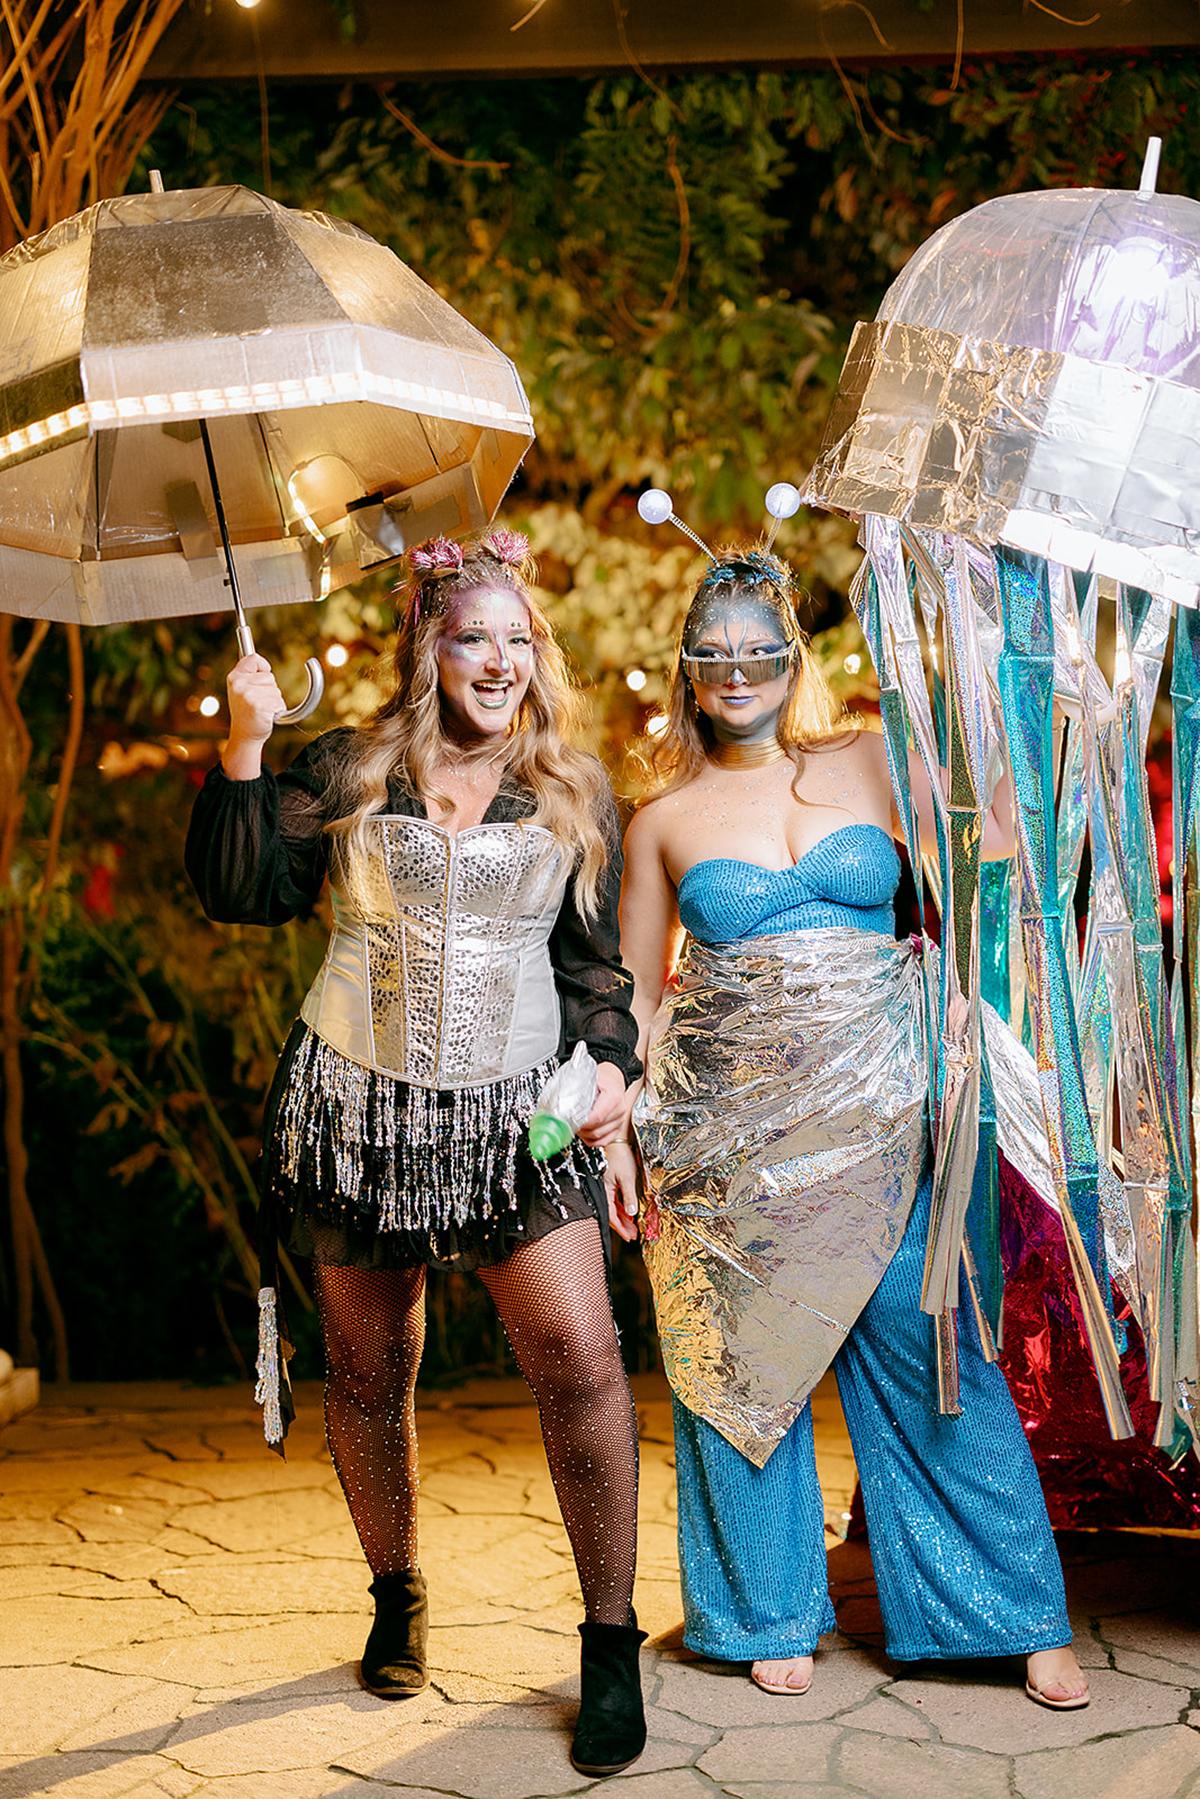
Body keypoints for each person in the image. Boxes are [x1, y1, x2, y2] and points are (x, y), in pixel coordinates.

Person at [186, 529, 646, 1777]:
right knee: (369, 1364)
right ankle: (395, 1593)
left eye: (517, 638)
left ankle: (609, 1640)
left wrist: (610, 1067)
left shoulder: (572, 788)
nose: (498, 660)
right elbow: (242, 890)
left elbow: (597, 972)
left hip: (520, 1115)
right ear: (427, 648)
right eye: (471, 636)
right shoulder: (350, 767)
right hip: (361, 1106)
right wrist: (245, 741)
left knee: (581, 1352)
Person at [607, 544, 1091, 1710]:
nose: (738, 671)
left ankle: (1017, 1611)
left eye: (758, 649)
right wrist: (620, 1132)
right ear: (688, 668)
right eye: (714, 653)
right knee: (745, 1375)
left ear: (793, 654)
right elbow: (631, 991)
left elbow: (989, 854)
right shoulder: (662, 816)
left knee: (939, 1359)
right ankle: (765, 1610)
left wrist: (1012, 700)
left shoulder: (872, 755)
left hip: (886, 1115)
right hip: (730, 1145)